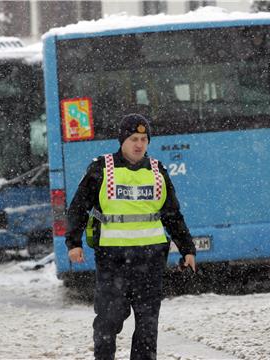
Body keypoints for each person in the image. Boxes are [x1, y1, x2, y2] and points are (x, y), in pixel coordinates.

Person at [65, 113, 197, 360]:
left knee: (147, 324)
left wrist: (187, 248)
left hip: (151, 258)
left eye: (144, 139)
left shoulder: (157, 172)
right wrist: (74, 243)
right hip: (113, 259)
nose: (139, 144)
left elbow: (172, 214)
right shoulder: (101, 169)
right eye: (134, 138)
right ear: (122, 140)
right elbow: (78, 207)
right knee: (109, 319)